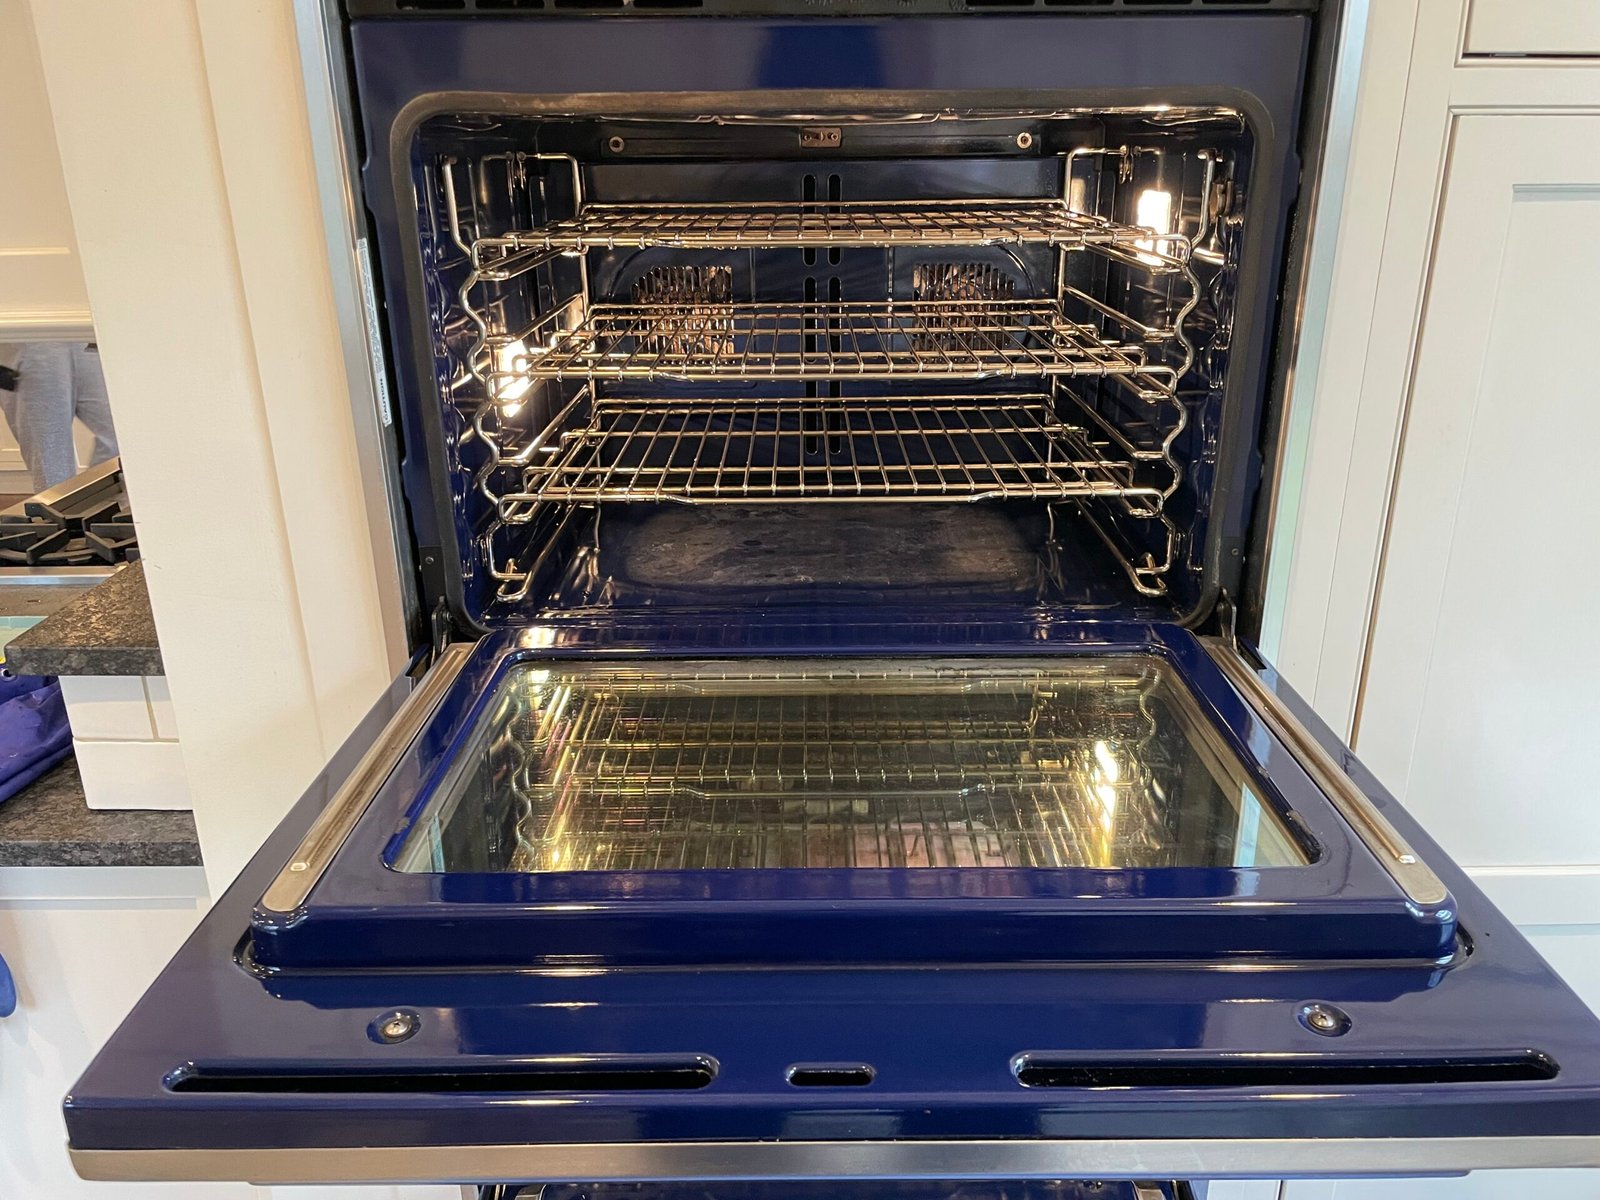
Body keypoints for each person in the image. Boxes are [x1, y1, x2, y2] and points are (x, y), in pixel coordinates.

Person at [0, 340, 119, 492]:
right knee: (51, 466)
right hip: (27, 339)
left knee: (122, 440)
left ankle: (102, 507)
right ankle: (62, 513)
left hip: (88, 330)